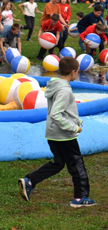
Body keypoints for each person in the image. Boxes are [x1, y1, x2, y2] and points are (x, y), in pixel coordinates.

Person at [18, 57, 95, 208]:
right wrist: (73, 128)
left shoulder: (55, 85)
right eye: (77, 71)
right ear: (73, 72)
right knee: (76, 164)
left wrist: (76, 121)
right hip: (63, 135)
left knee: (58, 163)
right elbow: (56, 114)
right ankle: (80, 198)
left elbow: (64, 111)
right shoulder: (64, 90)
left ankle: (30, 181)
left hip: (53, 134)